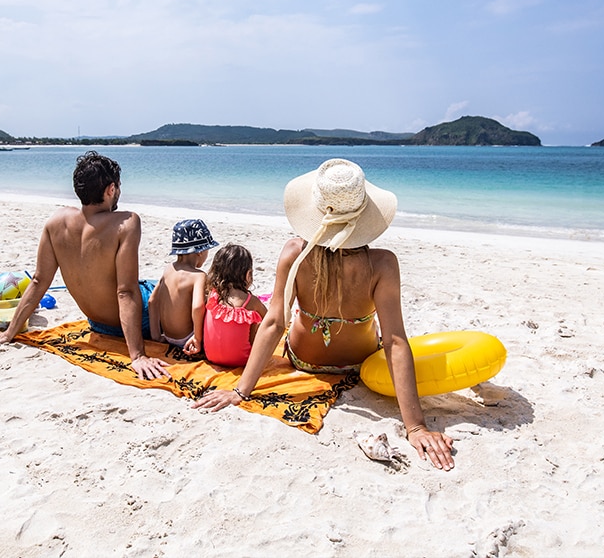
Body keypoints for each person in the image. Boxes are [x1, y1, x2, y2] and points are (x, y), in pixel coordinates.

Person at [192, 159, 455, 470]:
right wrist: (415, 427)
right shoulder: (383, 264)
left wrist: (240, 391)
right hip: (358, 364)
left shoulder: (294, 252)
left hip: (303, 358)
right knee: (383, 333)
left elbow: (275, 323)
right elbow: (395, 342)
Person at [0, 151, 169, 380]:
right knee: (175, 282)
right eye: (117, 187)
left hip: (99, 324)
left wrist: (9, 332)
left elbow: (39, 281)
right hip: (138, 321)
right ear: (111, 189)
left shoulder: (56, 222)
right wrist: (137, 355)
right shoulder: (126, 223)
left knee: (149, 284)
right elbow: (125, 292)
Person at [186, 244, 268, 366]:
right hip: (243, 361)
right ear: (248, 274)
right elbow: (269, 319)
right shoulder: (251, 302)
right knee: (257, 321)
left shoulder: (212, 296)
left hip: (211, 356)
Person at [147, 219, 218, 350]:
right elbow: (197, 307)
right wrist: (197, 338)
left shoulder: (168, 269)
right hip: (188, 338)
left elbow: (152, 301)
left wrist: (156, 335)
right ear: (200, 251)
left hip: (167, 335)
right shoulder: (198, 276)